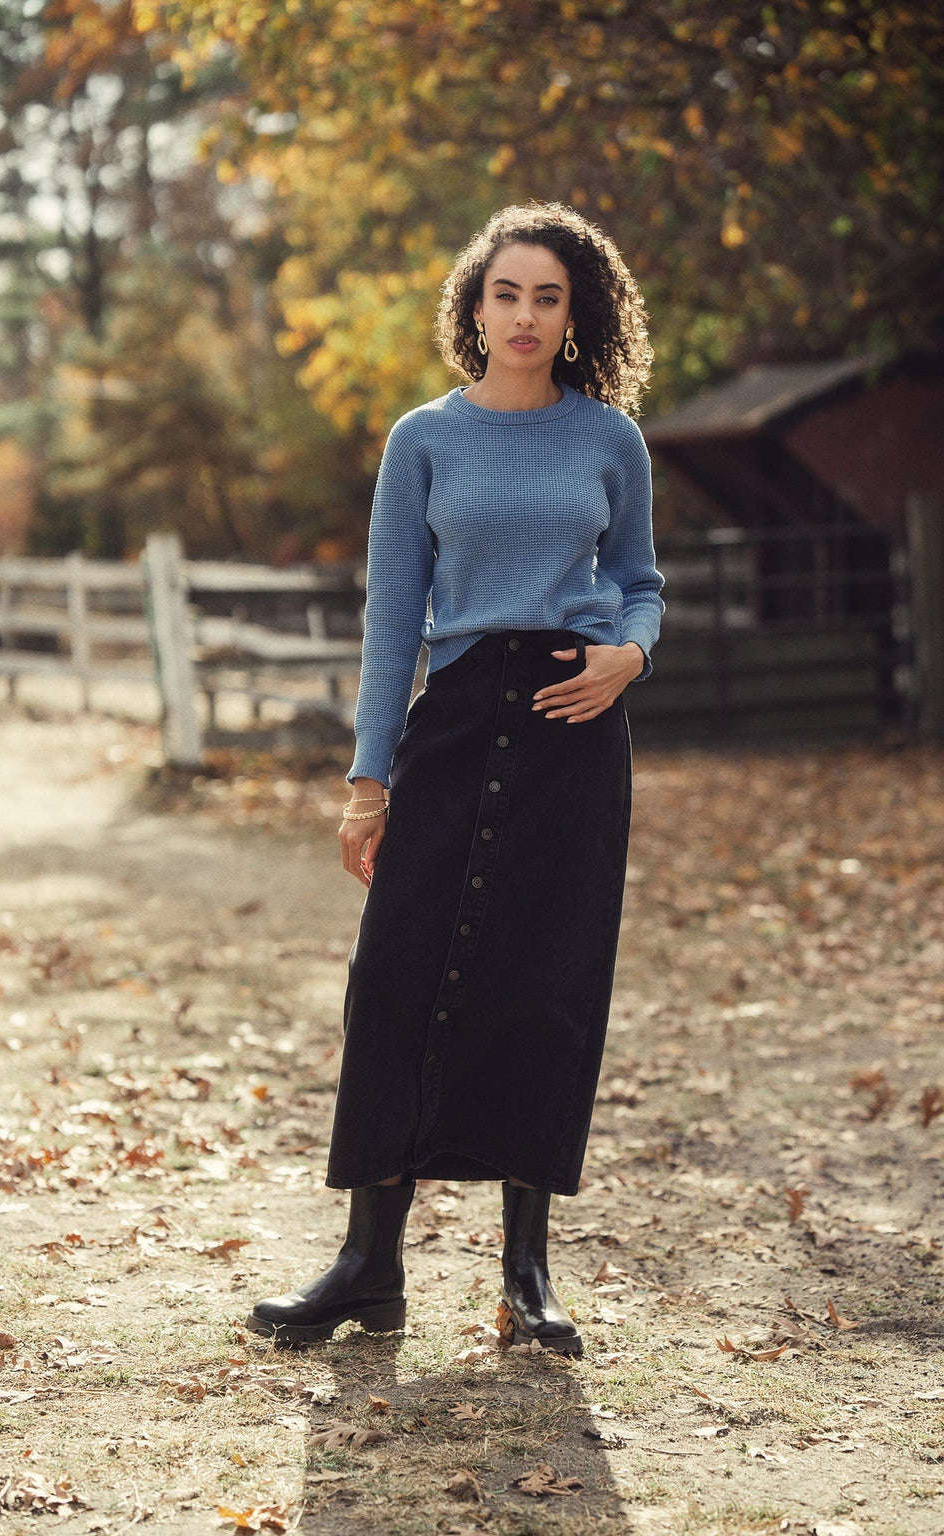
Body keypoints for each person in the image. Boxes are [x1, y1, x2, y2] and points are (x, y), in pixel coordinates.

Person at [248, 202, 664, 1356]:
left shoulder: (608, 440)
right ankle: (368, 1265)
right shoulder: (422, 439)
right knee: (390, 977)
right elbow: (394, 625)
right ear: (473, 306)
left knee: (546, 979)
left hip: (574, 730)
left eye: (548, 298)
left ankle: (525, 1276)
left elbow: (638, 580)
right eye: (506, 293)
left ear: (576, 317)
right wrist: (366, 778)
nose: (524, 316)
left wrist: (632, 652)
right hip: (458, 711)